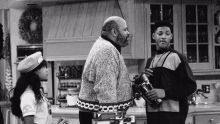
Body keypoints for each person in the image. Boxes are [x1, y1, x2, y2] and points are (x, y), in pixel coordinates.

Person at [135, 20, 197, 124]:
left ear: (171, 36)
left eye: (167, 34)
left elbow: (190, 86)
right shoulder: (150, 60)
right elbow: (146, 89)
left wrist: (165, 92)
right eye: (160, 34)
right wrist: (141, 79)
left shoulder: (177, 57)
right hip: (153, 115)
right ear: (154, 36)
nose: (163, 36)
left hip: (173, 117)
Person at [76, 16, 133, 124]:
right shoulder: (107, 50)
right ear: (114, 32)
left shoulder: (106, 46)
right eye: (125, 30)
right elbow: (106, 91)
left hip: (96, 115)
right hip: (98, 116)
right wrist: (110, 120)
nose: (128, 33)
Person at [10, 52, 68, 124]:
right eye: (43, 67)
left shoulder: (36, 92)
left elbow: (41, 120)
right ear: (34, 72)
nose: (47, 70)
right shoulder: (28, 96)